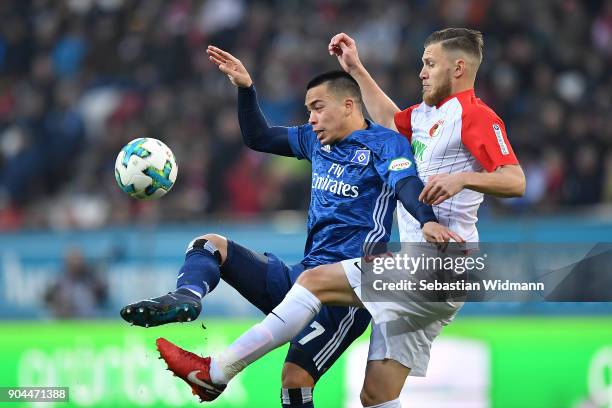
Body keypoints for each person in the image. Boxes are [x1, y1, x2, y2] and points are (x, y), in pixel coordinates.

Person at [156, 28, 526, 407]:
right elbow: (387, 119)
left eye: (430, 64)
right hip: (423, 268)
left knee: (314, 281)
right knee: (376, 396)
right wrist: (357, 68)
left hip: (441, 266)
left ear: (459, 67)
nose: (422, 72)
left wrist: (462, 179)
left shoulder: (476, 116)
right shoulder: (425, 117)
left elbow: (515, 180)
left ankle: (215, 372)